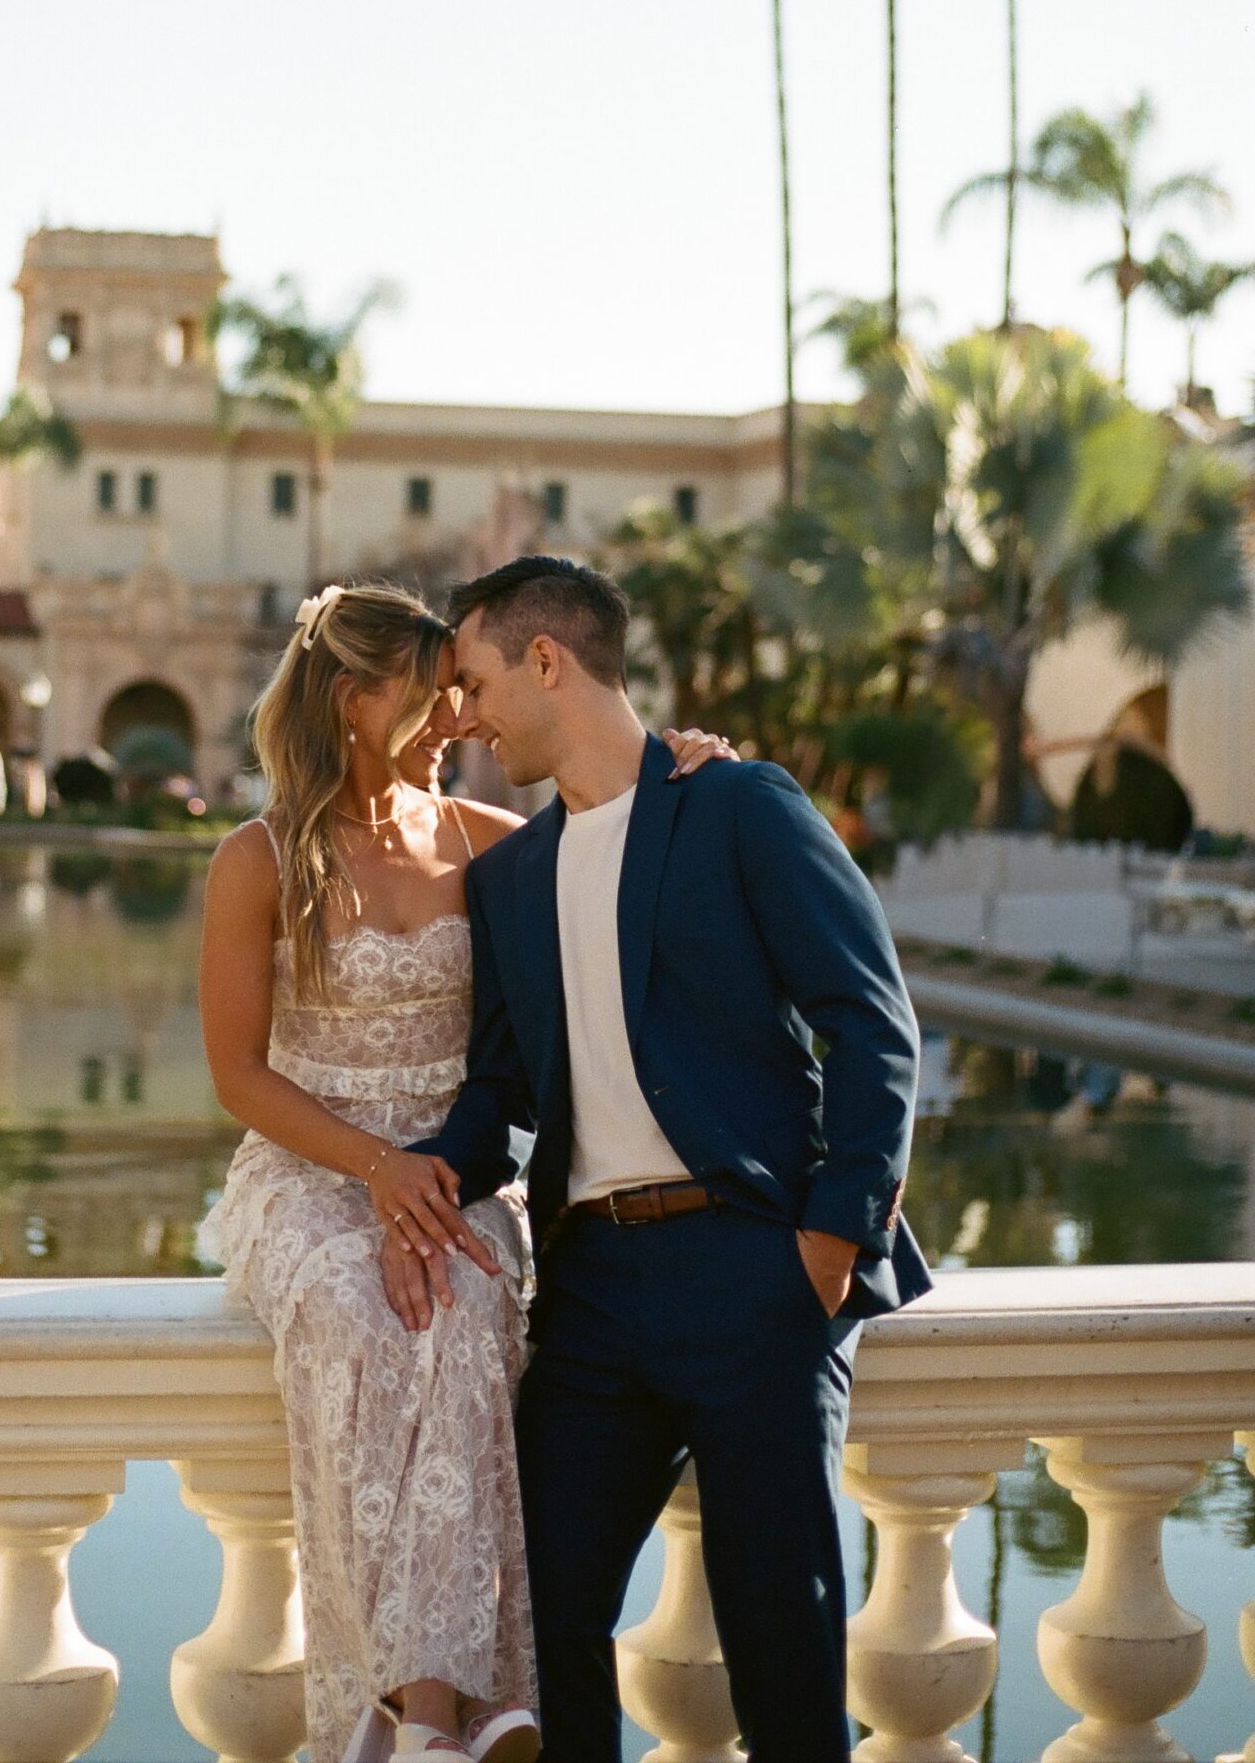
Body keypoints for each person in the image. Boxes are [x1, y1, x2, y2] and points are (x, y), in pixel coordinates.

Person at [400, 556, 929, 1763]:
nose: (463, 716)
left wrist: (829, 1240)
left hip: (755, 1271)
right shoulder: (508, 877)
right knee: (538, 1627)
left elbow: (869, 1017)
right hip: (588, 1300)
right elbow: (498, 1094)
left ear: (547, 659)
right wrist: (406, 1178)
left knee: (782, 1648)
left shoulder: (735, 802)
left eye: (474, 682)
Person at [199, 582, 730, 1763]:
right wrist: (374, 1172)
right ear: (353, 698)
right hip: (307, 1166)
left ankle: (445, 1707)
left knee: (472, 1306)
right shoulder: (257, 859)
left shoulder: (487, 847)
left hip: (450, 1175)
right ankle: (431, 1704)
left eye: (461, 687)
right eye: (431, 690)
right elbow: (237, 1074)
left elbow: (624, 822)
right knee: (353, 1313)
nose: (455, 712)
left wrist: (689, 759)